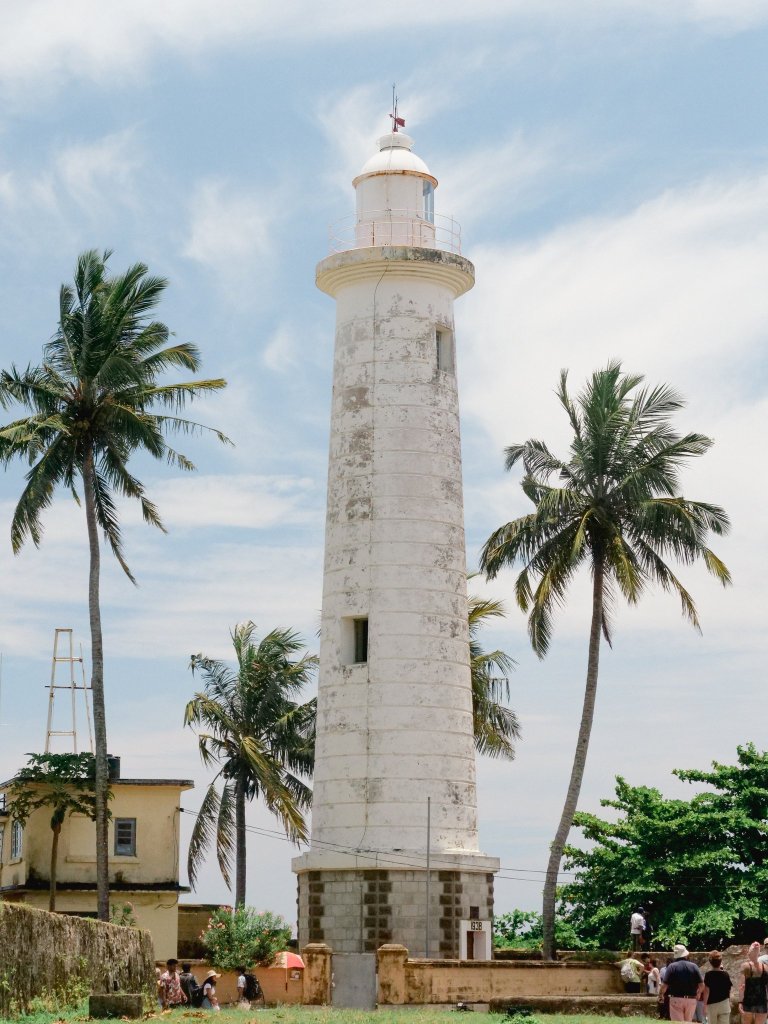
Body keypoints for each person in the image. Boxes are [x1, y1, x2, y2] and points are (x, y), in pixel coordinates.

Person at [661, 945, 705, 1023]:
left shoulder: (671, 967)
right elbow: (701, 985)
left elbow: (664, 985)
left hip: (676, 998)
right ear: (686, 954)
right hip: (691, 999)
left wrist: (660, 995)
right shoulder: (694, 966)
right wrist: (698, 994)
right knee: (688, 1022)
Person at [739, 941, 768, 1024]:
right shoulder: (765, 967)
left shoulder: (745, 966)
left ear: (749, 953)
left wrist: (740, 1002)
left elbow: (742, 986)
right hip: (762, 1001)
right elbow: (766, 987)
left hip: (748, 1001)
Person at [703, 951, 733, 1024]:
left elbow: (707, 991)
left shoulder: (708, 975)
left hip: (712, 1004)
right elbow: (729, 989)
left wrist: (704, 1005)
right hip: (724, 1003)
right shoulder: (725, 974)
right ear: (720, 961)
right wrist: (729, 1002)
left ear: (710, 962)